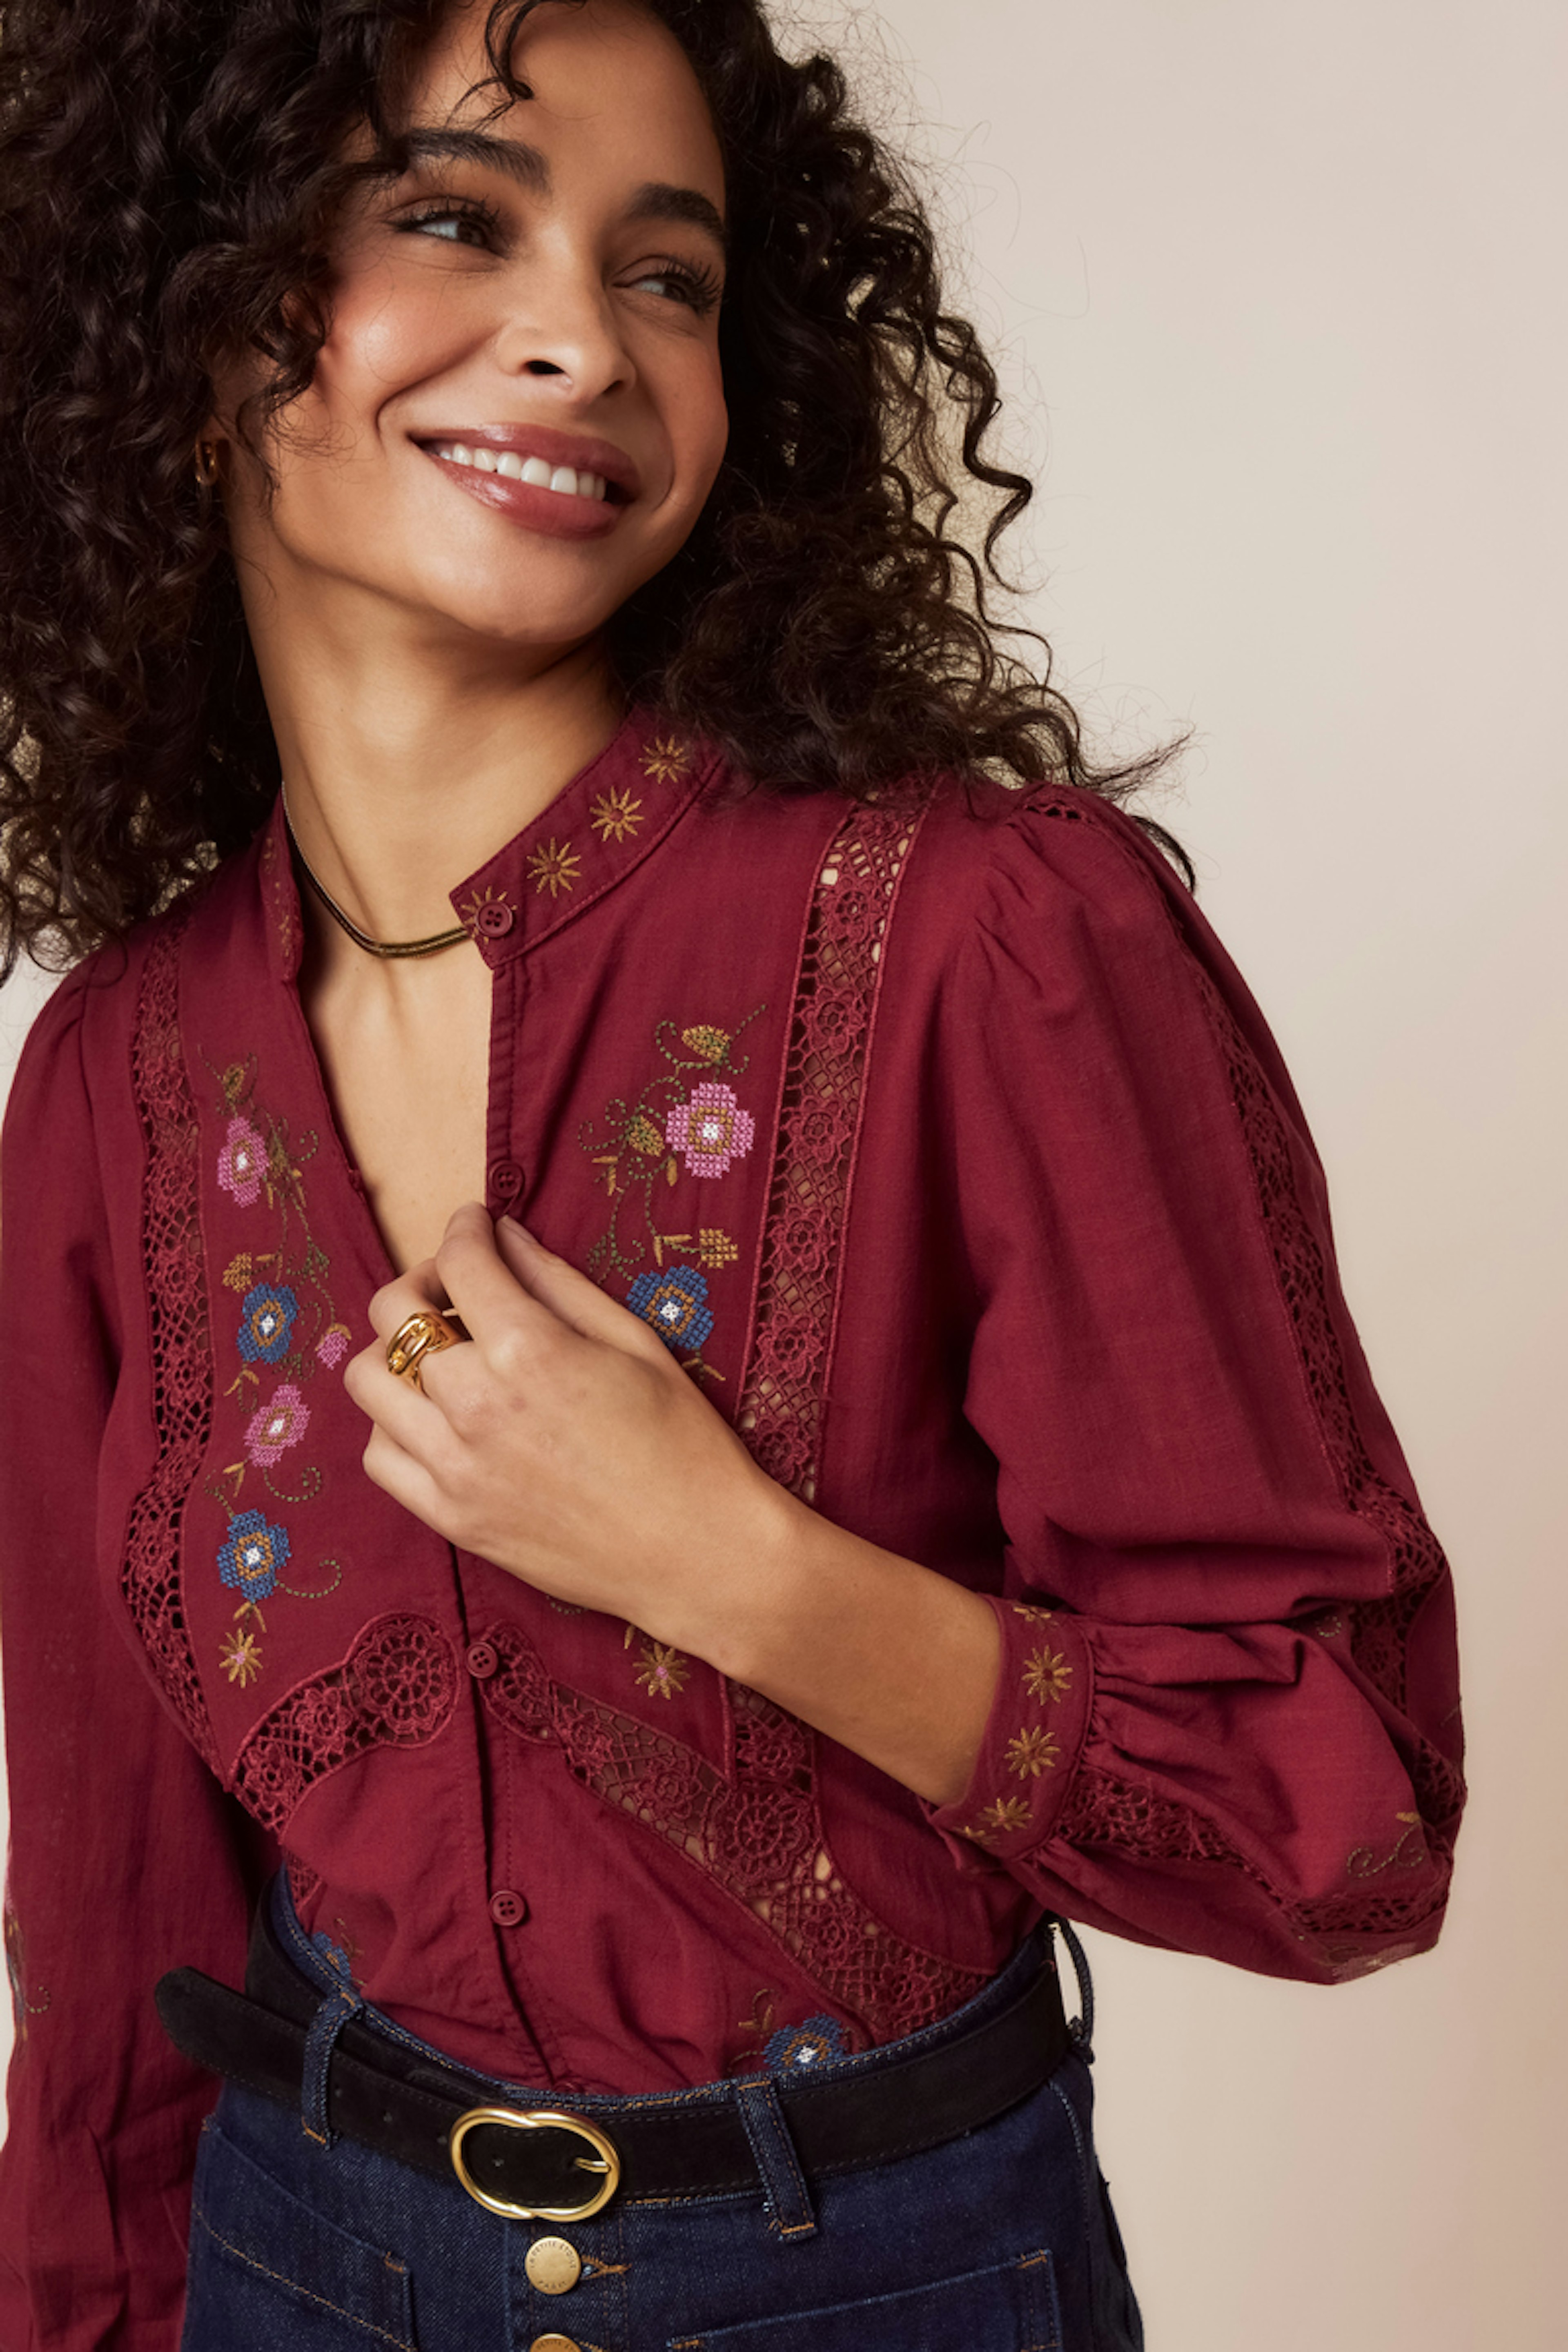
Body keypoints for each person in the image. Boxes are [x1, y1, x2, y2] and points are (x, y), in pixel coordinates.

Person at [0, 0, 1466, 2343]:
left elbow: (1345, 1817)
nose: (584, 339)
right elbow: (114, 1955)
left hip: (879, 2280)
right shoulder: (116, 1081)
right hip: (289, 2260)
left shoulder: (990, 938)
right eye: (455, 219)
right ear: (188, 311)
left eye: (666, 274)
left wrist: (734, 1569)